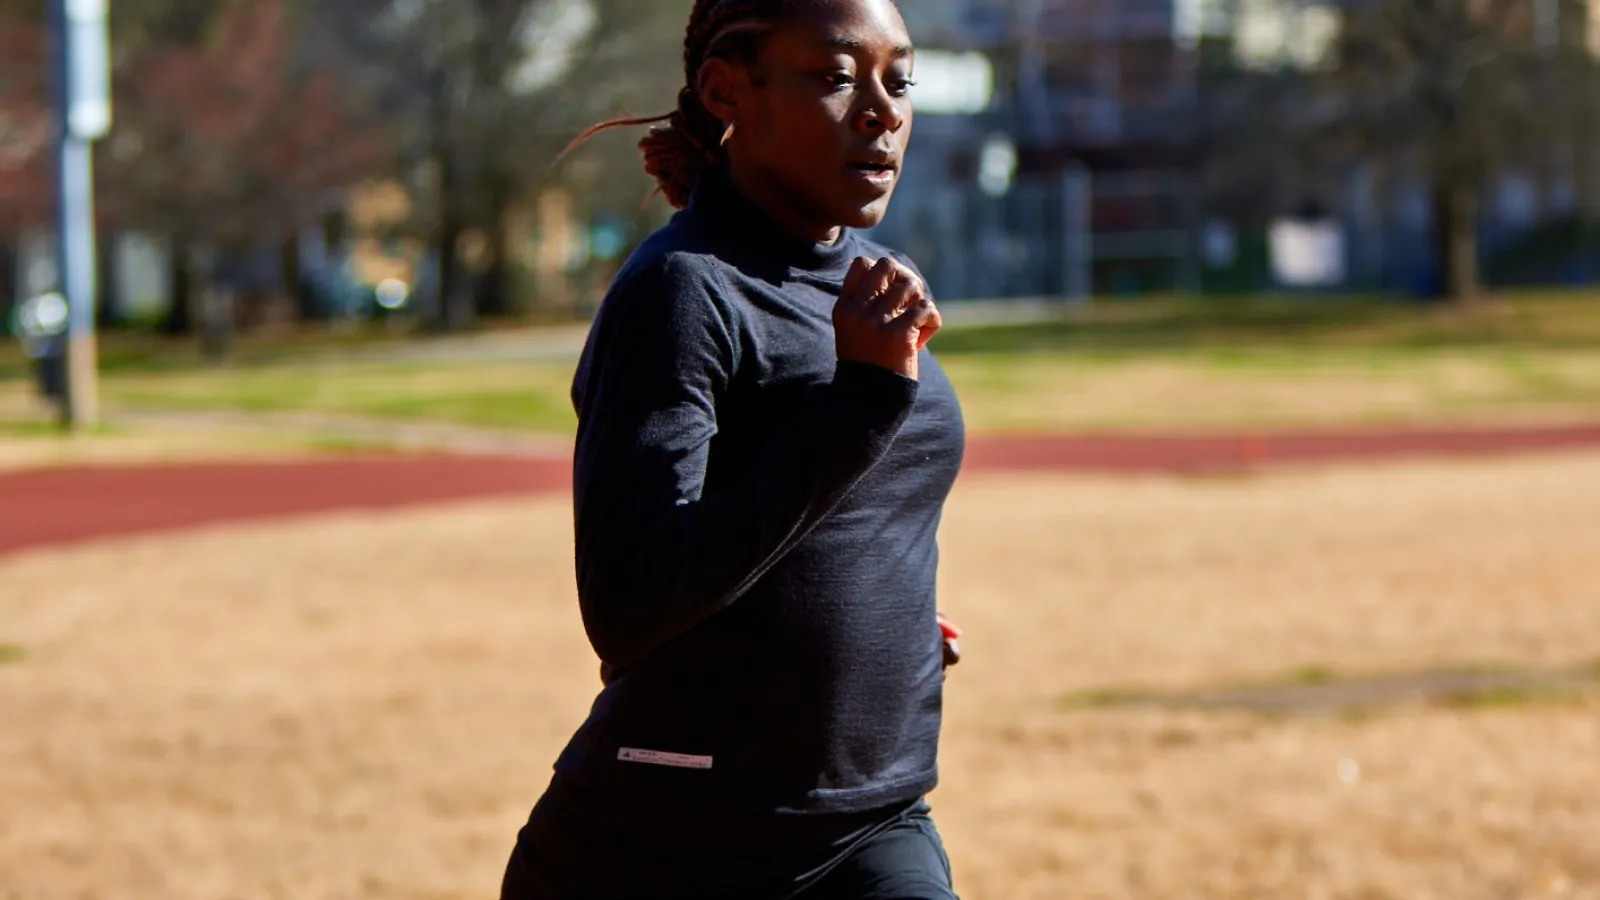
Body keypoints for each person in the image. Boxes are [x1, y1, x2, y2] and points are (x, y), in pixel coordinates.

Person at [499, 0, 966, 896]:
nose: (881, 111)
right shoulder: (682, 292)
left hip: (870, 820)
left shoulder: (871, 281)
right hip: (666, 845)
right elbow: (628, 601)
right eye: (835, 78)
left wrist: (881, 610)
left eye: (899, 80)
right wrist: (862, 402)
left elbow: (830, 513)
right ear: (727, 89)